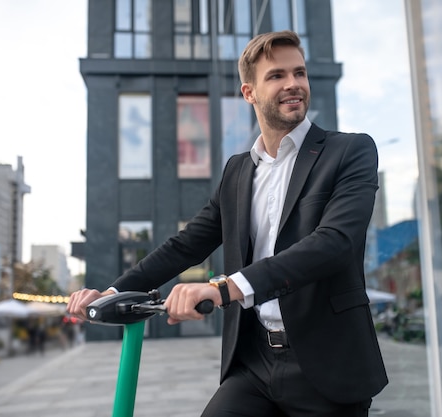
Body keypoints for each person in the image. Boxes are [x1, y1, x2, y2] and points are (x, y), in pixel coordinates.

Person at [68, 30, 388, 416]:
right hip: (253, 363)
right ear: (249, 92)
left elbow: (333, 244)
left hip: (329, 364)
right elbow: (186, 245)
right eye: (277, 76)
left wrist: (224, 288)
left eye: (299, 73)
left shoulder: (350, 151)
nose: (293, 84)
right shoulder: (238, 171)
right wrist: (113, 292)